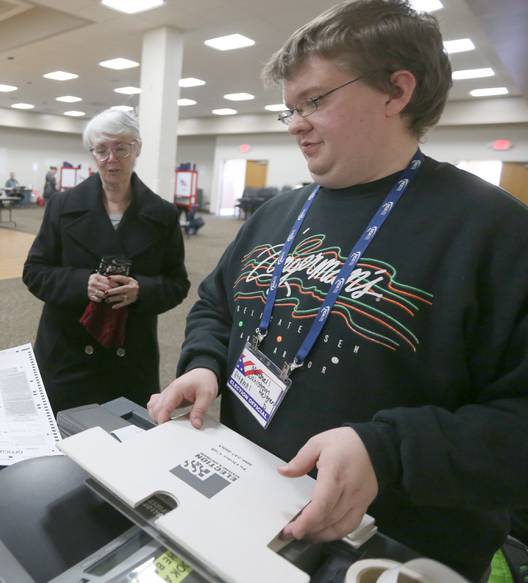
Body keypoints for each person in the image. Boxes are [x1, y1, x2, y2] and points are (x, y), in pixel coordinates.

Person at [147, 1, 528, 581]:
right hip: (246, 507)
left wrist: (387, 450)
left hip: (389, 550)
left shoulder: (495, 232)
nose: (296, 122)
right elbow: (216, 305)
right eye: (290, 108)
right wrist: (204, 364)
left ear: (396, 92)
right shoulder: (277, 213)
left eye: (316, 101)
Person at [23, 109, 190, 413]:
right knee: (63, 446)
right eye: (102, 150)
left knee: (125, 447)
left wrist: (141, 290)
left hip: (130, 358)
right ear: (93, 153)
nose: (111, 158)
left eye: (121, 148)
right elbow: (35, 272)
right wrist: (80, 283)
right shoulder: (62, 206)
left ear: (136, 149)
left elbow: (177, 283)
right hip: (67, 354)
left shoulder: (163, 214)